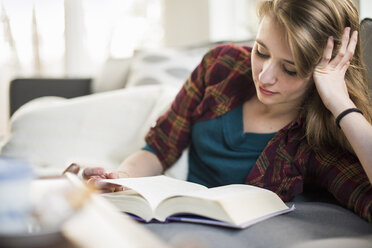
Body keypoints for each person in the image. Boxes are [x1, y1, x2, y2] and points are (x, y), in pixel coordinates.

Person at [81, 0, 372, 222]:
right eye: (261, 51)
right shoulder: (223, 66)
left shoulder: (316, 141)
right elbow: (158, 149)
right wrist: (119, 178)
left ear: (325, 71)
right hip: (174, 221)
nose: (265, 76)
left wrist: (340, 104)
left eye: (290, 68)